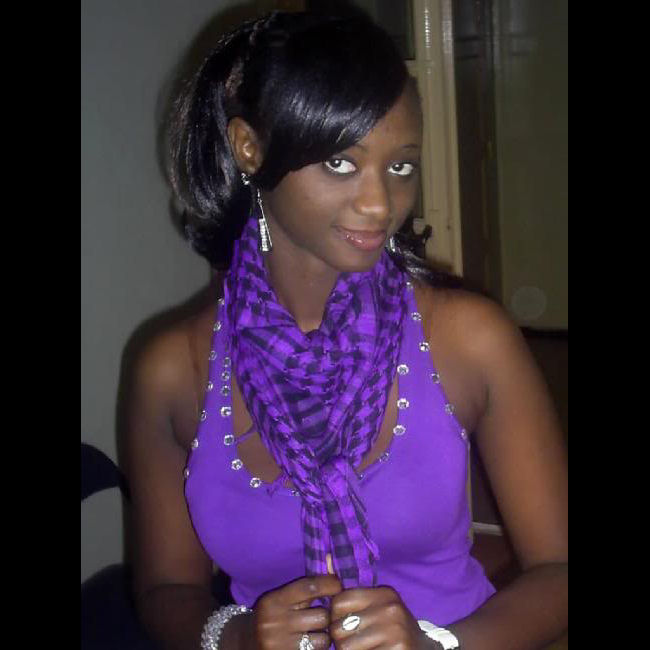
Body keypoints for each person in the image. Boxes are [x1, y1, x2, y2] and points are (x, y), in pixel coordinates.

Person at [123, 9, 567, 650]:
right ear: (249, 148)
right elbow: (166, 590)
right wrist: (236, 635)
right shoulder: (174, 370)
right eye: (340, 163)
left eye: (401, 167)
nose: (380, 204)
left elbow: (558, 571)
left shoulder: (468, 339)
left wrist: (439, 646)